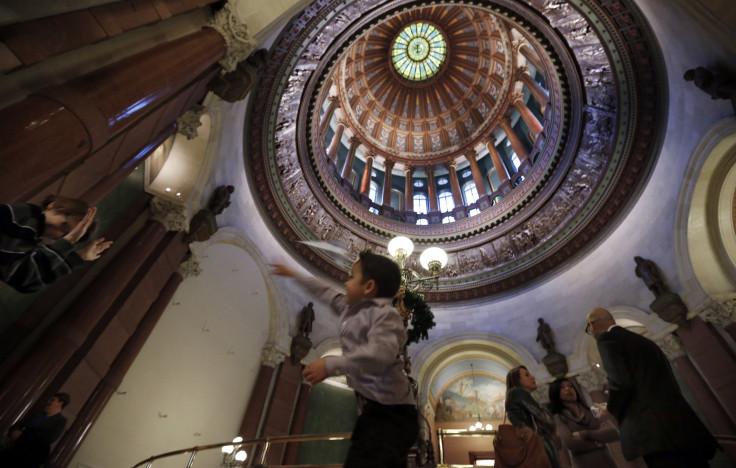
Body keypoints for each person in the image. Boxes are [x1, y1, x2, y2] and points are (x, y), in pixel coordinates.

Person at [271, 250, 418, 468]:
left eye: (351, 277)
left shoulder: (386, 316)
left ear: (368, 287)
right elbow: (325, 292)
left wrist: (329, 365)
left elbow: (379, 356)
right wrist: (294, 274)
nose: (346, 283)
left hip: (393, 414)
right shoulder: (350, 309)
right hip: (373, 410)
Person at [585, 307, 719, 467]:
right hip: (679, 426)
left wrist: (610, 408)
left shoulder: (606, 340)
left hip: (654, 432)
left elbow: (621, 382)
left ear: (592, 325)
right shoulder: (642, 340)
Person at [0, 196, 112, 293]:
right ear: (53, 206)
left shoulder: (32, 236)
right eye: (64, 225)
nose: (59, 235)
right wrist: (70, 240)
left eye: (65, 235)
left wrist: (78, 256)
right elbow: (18, 276)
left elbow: (27, 285)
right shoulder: (26, 218)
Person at [548, 378, 619, 468]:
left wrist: (586, 434)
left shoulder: (592, 411)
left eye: (570, 386)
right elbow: (569, 442)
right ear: (556, 393)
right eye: (562, 388)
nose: (568, 389)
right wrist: (600, 438)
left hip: (606, 460)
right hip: (583, 463)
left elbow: (615, 433)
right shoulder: (558, 417)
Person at [505, 365, 561, 468]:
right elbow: (547, 420)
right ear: (517, 381)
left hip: (529, 444)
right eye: (527, 375)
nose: (533, 377)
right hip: (537, 444)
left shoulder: (512, 395)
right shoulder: (518, 391)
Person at [0, 393, 70, 467]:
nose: (49, 401)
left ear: (60, 403)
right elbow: (18, 425)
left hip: (30, 455)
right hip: (13, 449)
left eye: (53, 400)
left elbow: (50, 438)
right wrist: (14, 432)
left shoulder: (60, 420)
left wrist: (22, 436)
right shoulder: (37, 414)